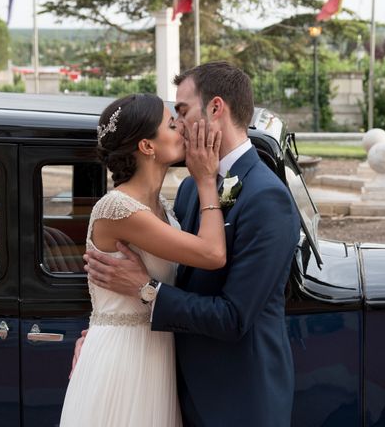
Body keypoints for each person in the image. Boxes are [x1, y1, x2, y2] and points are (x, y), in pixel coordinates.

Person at [83, 61, 301, 426]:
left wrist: (144, 289)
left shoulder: (267, 197)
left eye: (181, 112)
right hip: (171, 387)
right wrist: (104, 329)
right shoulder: (188, 189)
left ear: (216, 108)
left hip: (237, 399)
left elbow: (234, 317)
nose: (178, 124)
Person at [59, 93, 225, 427]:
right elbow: (213, 254)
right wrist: (207, 180)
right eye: (171, 124)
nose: (182, 129)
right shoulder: (119, 209)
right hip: (124, 357)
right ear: (147, 146)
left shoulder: (159, 205)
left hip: (155, 351)